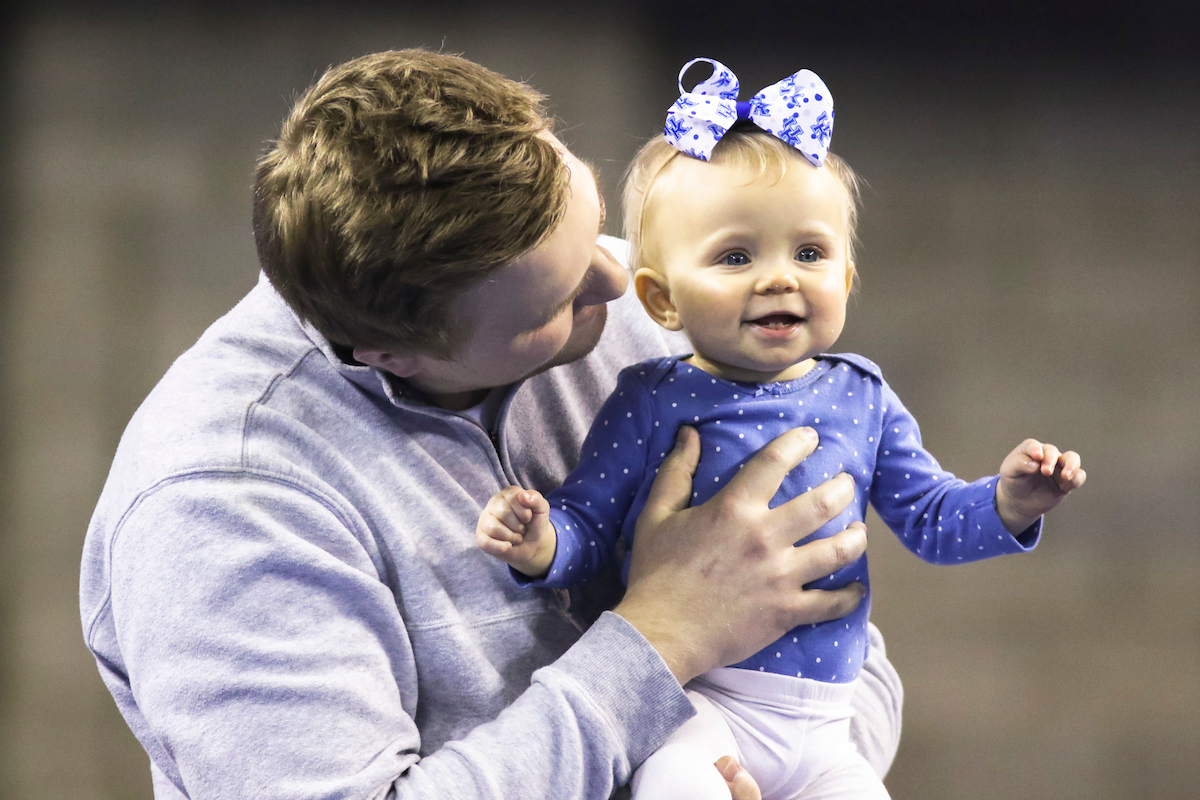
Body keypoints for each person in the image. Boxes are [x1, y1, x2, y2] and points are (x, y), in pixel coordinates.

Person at [78, 49, 904, 800]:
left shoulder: (639, 308)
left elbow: (849, 663)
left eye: (592, 223)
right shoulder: (221, 501)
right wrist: (661, 639)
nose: (619, 281)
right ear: (394, 352)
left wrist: (792, 774)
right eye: (558, 303)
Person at [476, 58, 1086, 800]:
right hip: (699, 704)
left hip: (830, 729)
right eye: (736, 256)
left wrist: (1010, 503)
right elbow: (591, 522)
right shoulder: (651, 397)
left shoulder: (863, 395)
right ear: (662, 300)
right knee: (676, 784)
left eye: (810, 253)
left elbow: (931, 521)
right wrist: (543, 544)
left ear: (846, 280)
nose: (779, 277)